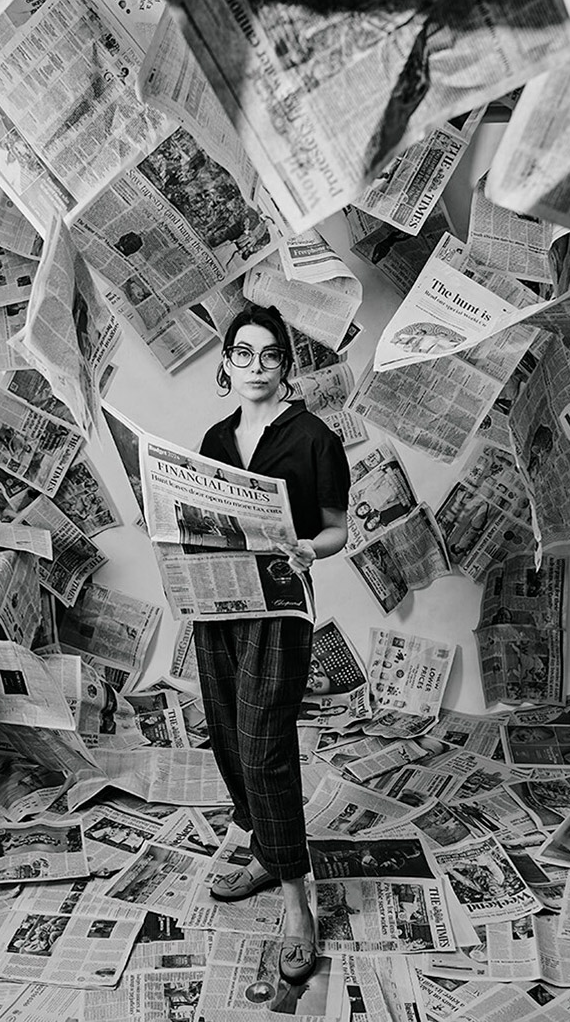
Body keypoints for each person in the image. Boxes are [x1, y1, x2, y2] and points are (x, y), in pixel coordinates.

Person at [192, 304, 350, 984]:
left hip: (278, 609)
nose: (255, 368)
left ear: (285, 366)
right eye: (243, 354)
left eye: (269, 356)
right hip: (215, 606)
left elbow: (337, 529)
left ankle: (297, 903)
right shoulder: (213, 437)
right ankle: (264, 850)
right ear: (226, 363)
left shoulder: (314, 438)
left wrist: (308, 551)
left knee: (266, 751)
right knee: (229, 738)